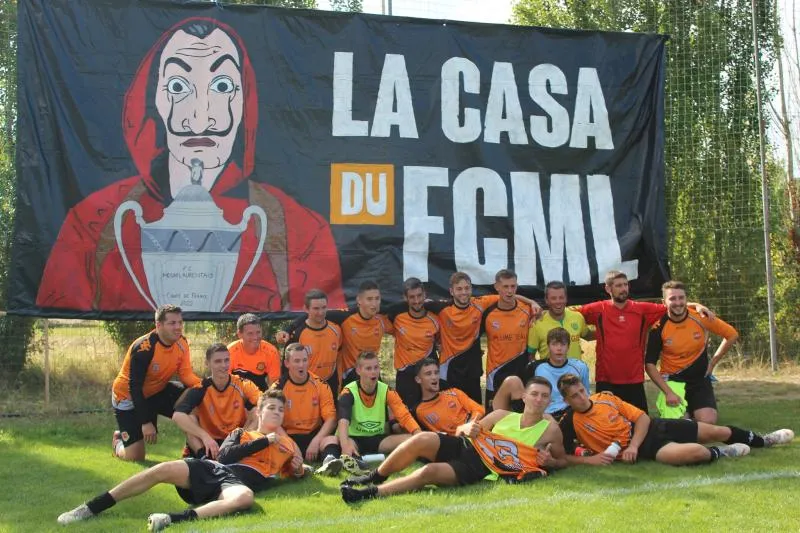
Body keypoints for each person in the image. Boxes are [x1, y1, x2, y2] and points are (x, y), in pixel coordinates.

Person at [36, 17, 344, 312]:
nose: (200, 119)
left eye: (222, 86)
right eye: (178, 87)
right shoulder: (91, 225)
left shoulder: (302, 231)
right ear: (154, 98)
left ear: (245, 101)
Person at [58, 389, 307, 531]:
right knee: (161, 469)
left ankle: (170, 519)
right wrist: (265, 441)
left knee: (245, 498)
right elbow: (224, 457)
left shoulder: (287, 445)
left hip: (233, 484)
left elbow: (295, 471)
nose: (277, 412)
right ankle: (90, 508)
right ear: (259, 412)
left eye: (281, 409)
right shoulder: (241, 433)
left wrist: (299, 470)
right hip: (212, 469)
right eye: (271, 407)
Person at [339, 377, 566, 503]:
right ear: (524, 396)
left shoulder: (550, 431)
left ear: (549, 401)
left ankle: (369, 493)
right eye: (534, 394)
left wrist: (551, 463)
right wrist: (469, 427)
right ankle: (375, 476)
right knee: (422, 438)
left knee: (429, 472)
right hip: (466, 446)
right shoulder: (501, 415)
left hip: (481, 466)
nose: (538, 399)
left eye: (544, 396)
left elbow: (563, 459)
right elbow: (462, 431)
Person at [557, 373, 794, 466]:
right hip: (650, 449)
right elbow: (560, 457)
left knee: (717, 431)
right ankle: (723, 453)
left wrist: (633, 446)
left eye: (582, 391)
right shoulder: (569, 422)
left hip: (653, 428)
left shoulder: (605, 398)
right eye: (574, 396)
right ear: (566, 400)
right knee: (697, 453)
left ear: (586, 388)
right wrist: (592, 460)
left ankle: (764, 441)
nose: (581, 397)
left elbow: (642, 418)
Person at [575, 270, 711, 412]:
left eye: (625, 285)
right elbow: (571, 315)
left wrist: (696, 305)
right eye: (618, 286)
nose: (623, 289)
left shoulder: (642, 309)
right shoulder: (598, 309)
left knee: (641, 421)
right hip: (606, 379)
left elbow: (673, 306)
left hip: (634, 379)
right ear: (608, 289)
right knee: (607, 421)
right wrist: (586, 334)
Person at [425, 272, 540, 405]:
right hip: (449, 369)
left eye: (467, 288)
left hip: (473, 370)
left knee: (476, 410)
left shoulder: (480, 303)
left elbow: (508, 295)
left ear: (471, 289)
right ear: (451, 291)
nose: (464, 292)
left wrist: (532, 302)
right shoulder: (441, 307)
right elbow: (416, 306)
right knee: (449, 409)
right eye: (459, 289)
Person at [111, 304, 201, 461]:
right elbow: (135, 388)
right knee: (135, 457)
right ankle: (118, 441)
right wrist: (146, 422)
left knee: (195, 397)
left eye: (180, 322)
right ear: (159, 325)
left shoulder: (182, 342)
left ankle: (194, 452)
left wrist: (206, 385)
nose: (178, 327)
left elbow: (186, 376)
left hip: (156, 391)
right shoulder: (144, 348)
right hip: (128, 397)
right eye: (172, 323)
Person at [645, 280, 739, 424]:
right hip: (673, 380)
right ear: (664, 302)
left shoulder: (701, 316)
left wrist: (712, 363)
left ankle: (693, 412)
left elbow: (732, 335)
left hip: (699, 379)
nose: (678, 302)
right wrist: (668, 392)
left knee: (708, 421)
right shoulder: (658, 325)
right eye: (672, 298)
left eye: (681, 298)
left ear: (686, 299)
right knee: (678, 425)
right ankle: (680, 412)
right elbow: (649, 364)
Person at [172, 343, 261, 459]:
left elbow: (265, 403)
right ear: (207, 364)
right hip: (209, 441)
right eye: (218, 361)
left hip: (234, 441)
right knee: (189, 418)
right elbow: (177, 416)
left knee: (257, 412)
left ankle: (240, 452)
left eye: (226, 360)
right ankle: (203, 458)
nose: (224, 365)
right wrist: (204, 436)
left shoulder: (242, 384)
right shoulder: (201, 388)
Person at [337, 351, 421, 472]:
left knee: (414, 440)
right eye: (368, 368)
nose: (373, 372)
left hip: (379, 440)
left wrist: (418, 433)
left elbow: (404, 416)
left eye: (376, 367)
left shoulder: (387, 390)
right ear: (358, 371)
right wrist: (345, 446)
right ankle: (350, 461)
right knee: (341, 443)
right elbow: (343, 421)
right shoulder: (348, 391)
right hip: (354, 439)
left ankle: (427, 454)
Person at [272, 343, 342, 475]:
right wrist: (290, 443)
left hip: (314, 436)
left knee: (332, 440)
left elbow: (331, 419)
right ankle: (300, 467)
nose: (301, 365)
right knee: (274, 445)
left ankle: (329, 463)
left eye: (304, 360)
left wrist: (316, 440)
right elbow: (272, 421)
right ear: (287, 363)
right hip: (288, 437)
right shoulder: (277, 388)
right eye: (297, 361)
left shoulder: (320, 384)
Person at [493, 327, 590, 421]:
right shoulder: (535, 367)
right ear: (548, 346)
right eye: (554, 344)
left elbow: (586, 395)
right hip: (540, 412)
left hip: (568, 413)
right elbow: (527, 394)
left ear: (568, 347)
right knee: (512, 381)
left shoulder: (580, 367)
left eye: (563, 344)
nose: (559, 348)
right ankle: (494, 423)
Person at [481, 269, 534, 411]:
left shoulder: (528, 309)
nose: (510, 291)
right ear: (496, 287)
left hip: (521, 371)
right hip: (496, 373)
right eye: (505, 286)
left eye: (513, 286)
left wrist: (533, 302)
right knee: (495, 418)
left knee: (520, 417)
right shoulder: (487, 312)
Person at [385, 277, 440, 408]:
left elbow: (441, 342)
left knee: (430, 413)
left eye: (419, 296)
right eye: (412, 297)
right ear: (405, 298)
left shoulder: (435, 319)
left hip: (427, 375)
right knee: (405, 417)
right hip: (405, 375)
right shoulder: (397, 318)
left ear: (425, 295)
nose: (416, 301)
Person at [326, 281, 393, 387]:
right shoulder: (346, 318)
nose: (374, 303)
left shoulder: (382, 319)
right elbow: (317, 315)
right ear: (359, 300)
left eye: (377, 298)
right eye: (369, 299)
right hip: (351, 373)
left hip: (372, 371)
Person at [276, 289, 342, 395]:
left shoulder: (336, 329)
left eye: (324, 307)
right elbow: (287, 366)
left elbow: (339, 356)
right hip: (304, 387)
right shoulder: (297, 333)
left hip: (330, 385)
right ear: (306, 309)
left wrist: (340, 381)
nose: (320, 312)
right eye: (316, 308)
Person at [412, 358, 485, 435]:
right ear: (418, 379)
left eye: (436, 373)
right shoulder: (421, 411)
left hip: (478, 429)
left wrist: (470, 425)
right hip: (458, 440)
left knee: (494, 414)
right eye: (428, 374)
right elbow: (439, 436)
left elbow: (479, 409)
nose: (434, 377)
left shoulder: (454, 392)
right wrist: (462, 432)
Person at [527, 281, 592, 361]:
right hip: (550, 369)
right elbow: (531, 356)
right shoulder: (537, 323)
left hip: (575, 369)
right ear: (546, 300)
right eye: (553, 298)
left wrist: (606, 328)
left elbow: (587, 335)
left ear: (566, 298)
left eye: (561, 297)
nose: (558, 302)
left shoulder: (577, 317)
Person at [228, 313, 281, 391]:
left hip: (260, 394)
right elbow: (225, 382)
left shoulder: (271, 352)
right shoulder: (229, 352)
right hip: (236, 392)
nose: (255, 337)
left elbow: (274, 384)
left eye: (258, 332)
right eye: (250, 333)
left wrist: (266, 397)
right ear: (239, 334)